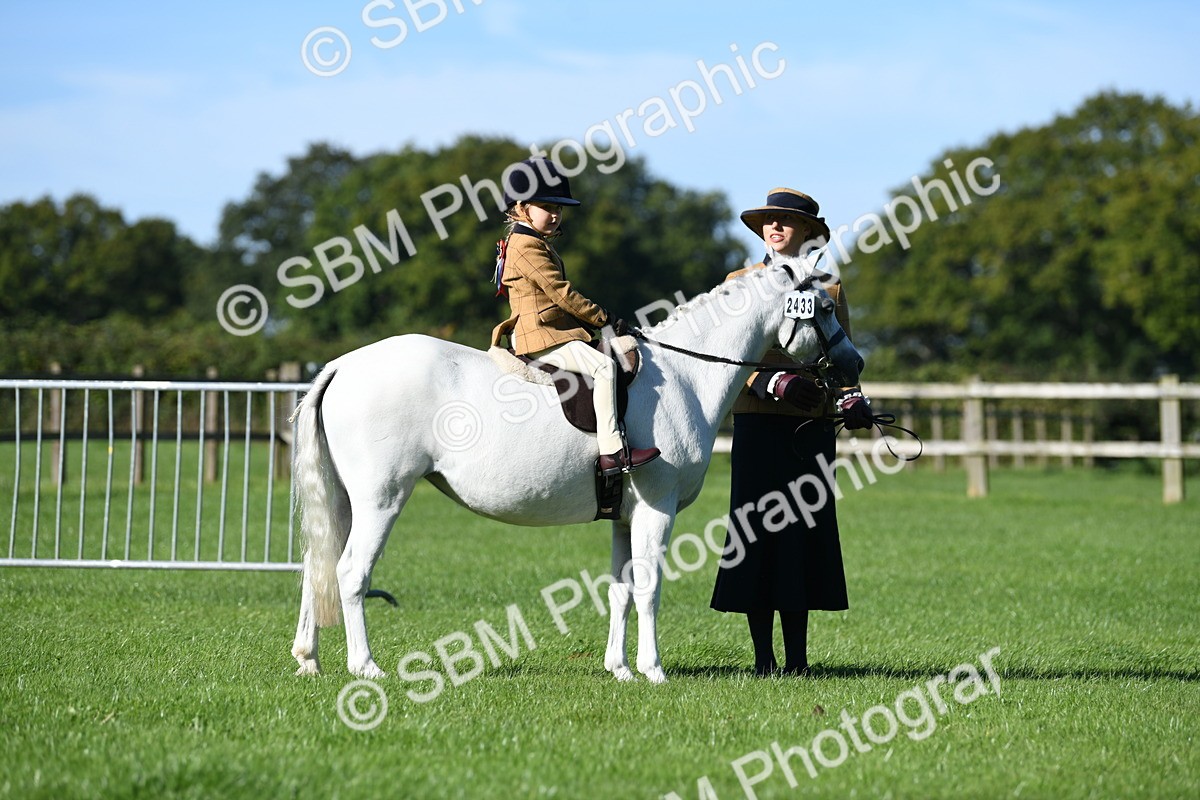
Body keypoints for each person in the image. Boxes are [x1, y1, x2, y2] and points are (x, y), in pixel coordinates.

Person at [710, 187, 873, 676]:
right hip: (758, 423)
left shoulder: (829, 286)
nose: (775, 228)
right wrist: (770, 382)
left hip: (812, 427)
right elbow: (724, 360)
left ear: (807, 232)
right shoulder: (739, 283)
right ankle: (763, 661)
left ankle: (798, 662)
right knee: (756, 536)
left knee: (803, 540)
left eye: (786, 221)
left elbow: (844, 358)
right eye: (768, 221)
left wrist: (852, 398)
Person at [489, 157, 660, 475]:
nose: (555, 214)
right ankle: (613, 452)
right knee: (605, 366)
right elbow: (562, 294)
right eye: (546, 206)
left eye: (559, 208)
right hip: (541, 335)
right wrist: (604, 318)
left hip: (551, 329)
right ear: (522, 206)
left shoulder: (531, 241)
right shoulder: (527, 245)